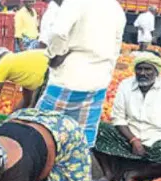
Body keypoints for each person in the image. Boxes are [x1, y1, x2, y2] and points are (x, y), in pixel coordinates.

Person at [35, 0, 125, 148]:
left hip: (69, 77)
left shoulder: (75, 2)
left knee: (42, 132)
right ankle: (76, 168)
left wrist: (55, 55)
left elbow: (58, 32)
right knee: (81, 141)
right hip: (98, 82)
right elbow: (116, 48)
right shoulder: (116, 8)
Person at [93, 53, 161, 181]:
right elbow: (118, 118)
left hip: (157, 140)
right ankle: (108, 174)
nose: (143, 73)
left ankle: (135, 173)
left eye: (148, 69)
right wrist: (133, 140)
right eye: (139, 69)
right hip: (128, 137)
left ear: (156, 71)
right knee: (97, 128)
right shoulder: (126, 85)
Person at [0, 47, 49, 113]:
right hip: (52, 64)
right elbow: (27, 101)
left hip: (50, 73)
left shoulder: (1, 65)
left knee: (38, 112)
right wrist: (11, 116)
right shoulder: (20, 64)